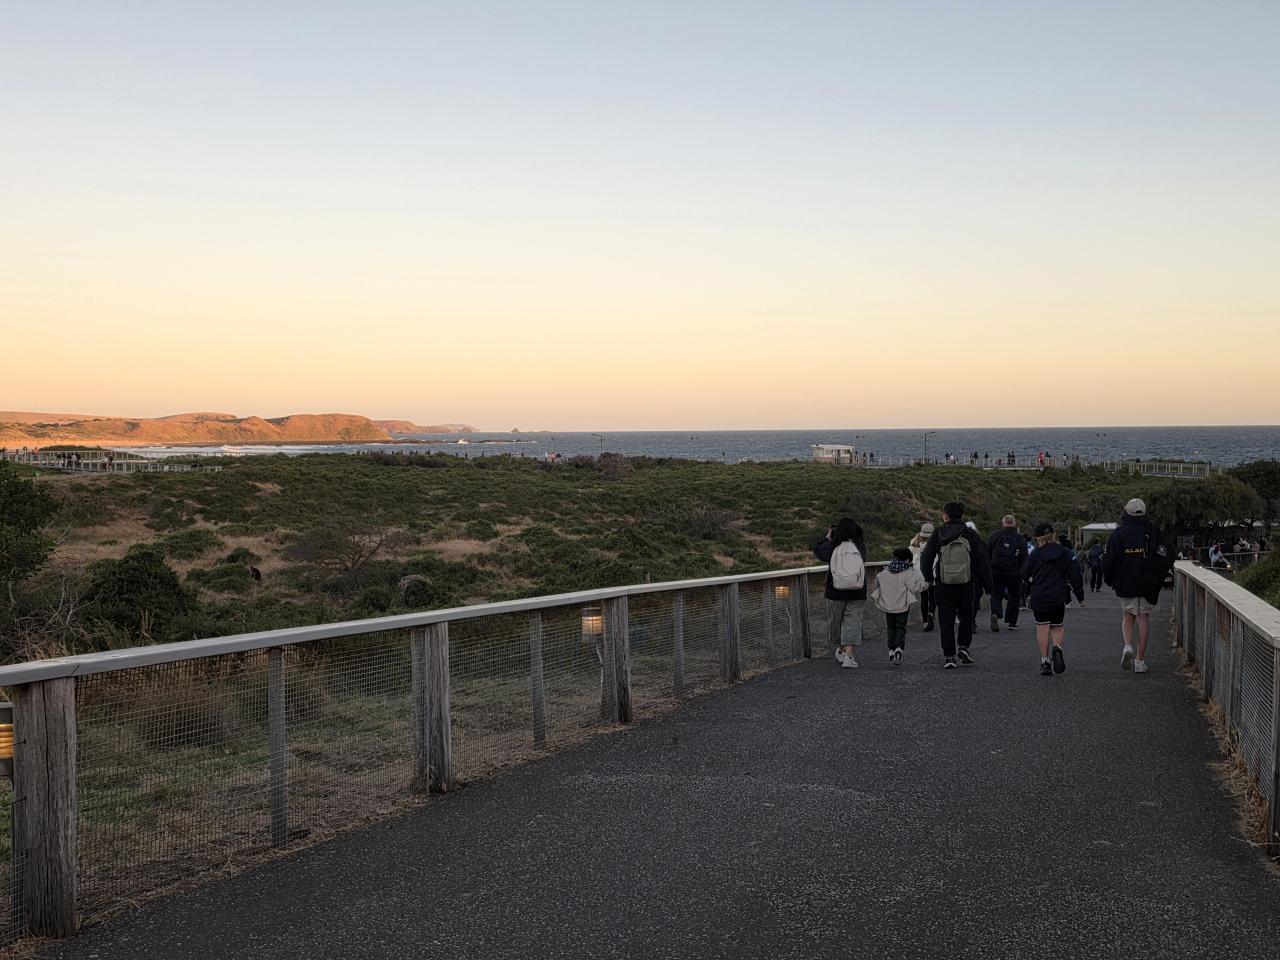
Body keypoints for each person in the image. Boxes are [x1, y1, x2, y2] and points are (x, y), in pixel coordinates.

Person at [1103, 498, 1174, 674]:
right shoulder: (1153, 532)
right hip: (1147, 584)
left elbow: (1109, 561)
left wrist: (1110, 579)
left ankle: (1127, 646)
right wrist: (1158, 576)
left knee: (1127, 616)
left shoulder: (1118, 534)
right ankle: (1140, 661)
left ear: (1127, 512)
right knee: (1143, 618)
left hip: (1126, 583)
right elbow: (1168, 553)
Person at [920, 501, 993, 668]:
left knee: (946, 619)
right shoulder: (970, 534)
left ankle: (949, 656)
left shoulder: (938, 533)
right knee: (966, 615)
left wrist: (929, 577)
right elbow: (982, 560)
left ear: (945, 515)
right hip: (966, 583)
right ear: (962, 515)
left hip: (944, 583)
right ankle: (964, 646)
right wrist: (988, 585)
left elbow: (926, 558)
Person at [1022, 523, 1086, 675]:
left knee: (1042, 626)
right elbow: (1076, 575)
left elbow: (1024, 574)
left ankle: (1045, 661)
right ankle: (1057, 647)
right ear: (1054, 534)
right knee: (1057, 626)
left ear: (1038, 538)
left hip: (1040, 596)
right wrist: (1080, 597)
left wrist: (1028, 587)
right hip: (1058, 595)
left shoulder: (1035, 554)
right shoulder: (1066, 553)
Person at [813, 518, 868, 668]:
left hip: (835, 591)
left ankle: (841, 649)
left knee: (836, 622)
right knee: (853, 622)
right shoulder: (860, 546)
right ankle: (848, 656)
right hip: (857, 590)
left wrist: (827, 538)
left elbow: (818, 551)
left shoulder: (832, 545)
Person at [871, 547, 926, 665]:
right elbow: (915, 588)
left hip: (888, 606)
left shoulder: (884, 572)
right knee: (901, 628)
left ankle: (891, 649)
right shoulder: (908, 573)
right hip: (902, 606)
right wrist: (927, 585)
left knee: (891, 628)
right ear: (907, 560)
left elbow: (877, 585)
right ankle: (899, 648)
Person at [987, 514, 1027, 632]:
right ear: (1014, 523)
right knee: (1014, 596)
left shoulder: (995, 536)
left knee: (996, 594)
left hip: (996, 571)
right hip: (1014, 572)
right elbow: (1024, 557)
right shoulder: (1020, 538)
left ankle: (995, 612)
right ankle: (1011, 621)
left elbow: (987, 552)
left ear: (1003, 523)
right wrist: (1022, 573)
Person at [909, 522, 936, 631]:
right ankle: (931, 613)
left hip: (919, 574)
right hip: (933, 572)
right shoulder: (935, 542)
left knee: (924, 597)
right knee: (933, 597)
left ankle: (925, 622)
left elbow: (910, 556)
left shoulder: (915, 542)